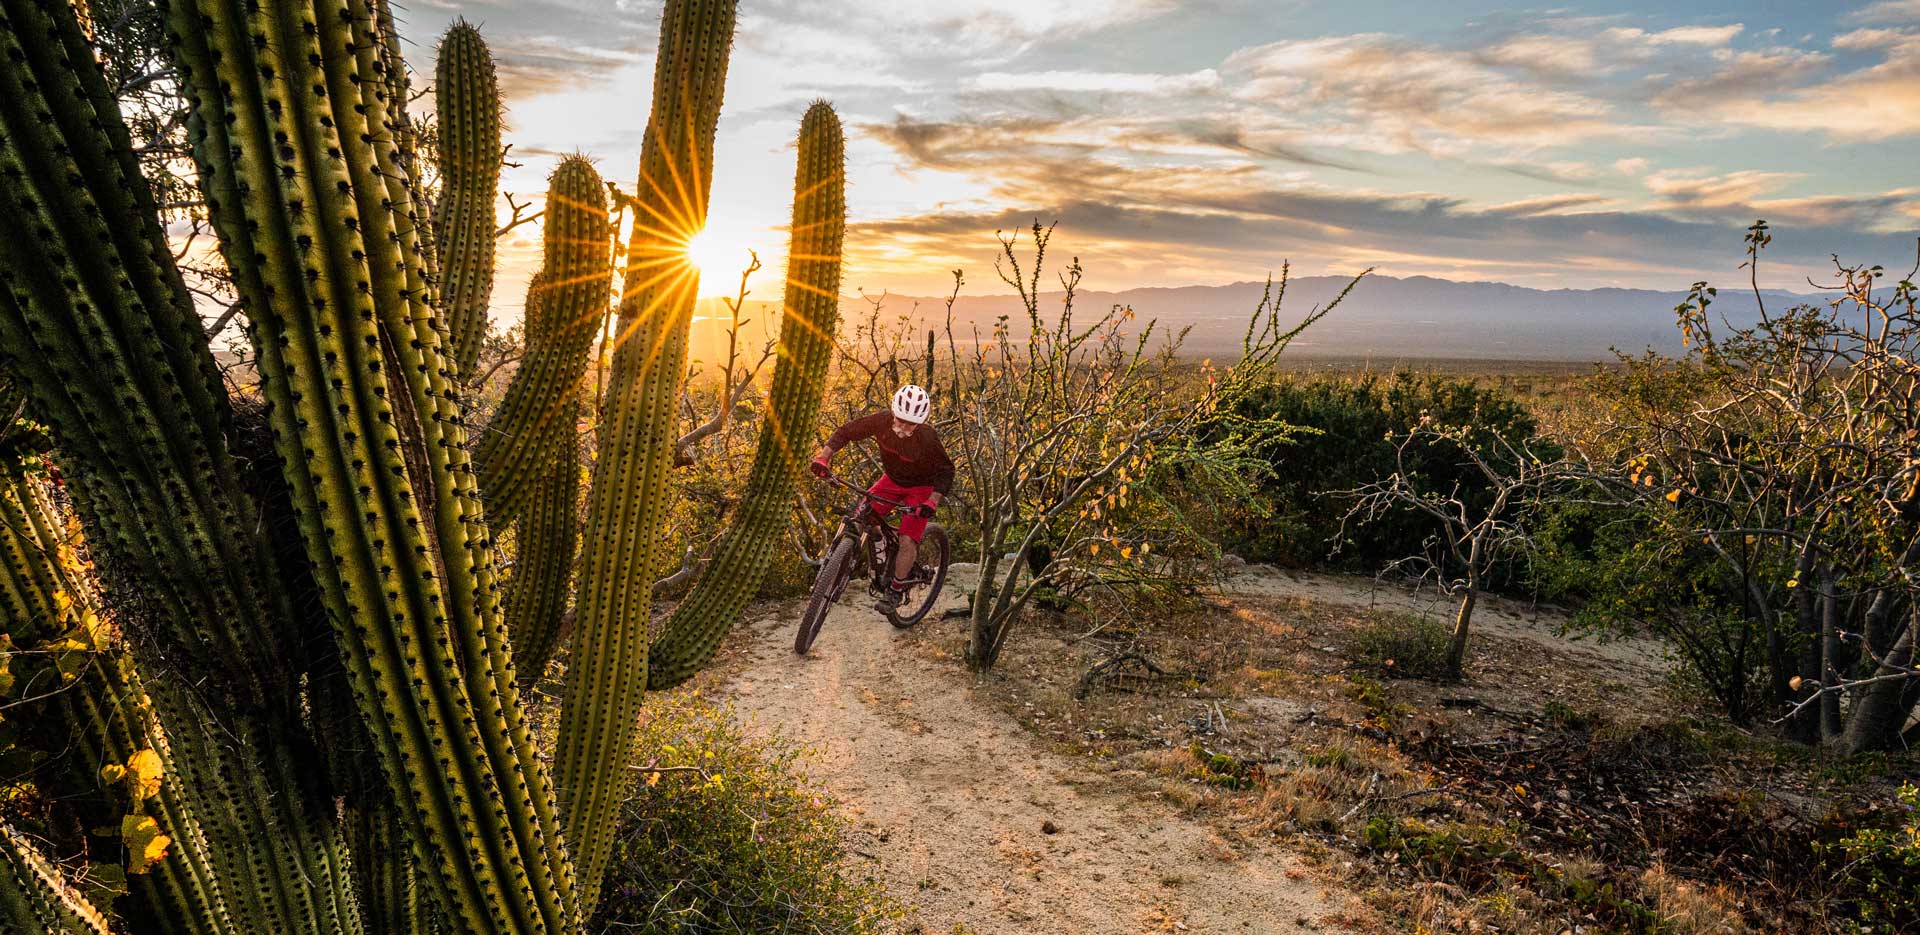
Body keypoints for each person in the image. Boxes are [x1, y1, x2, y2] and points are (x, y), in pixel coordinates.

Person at [810, 384, 954, 612]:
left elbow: (947, 470)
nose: (903, 426)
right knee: (861, 518)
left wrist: (932, 501)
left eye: (911, 423)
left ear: (921, 422)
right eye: (900, 419)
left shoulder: (927, 438)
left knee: (907, 539)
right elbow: (845, 432)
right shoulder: (881, 421)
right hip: (892, 481)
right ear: (893, 412)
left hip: (921, 488)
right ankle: (870, 550)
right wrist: (823, 458)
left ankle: (896, 589)